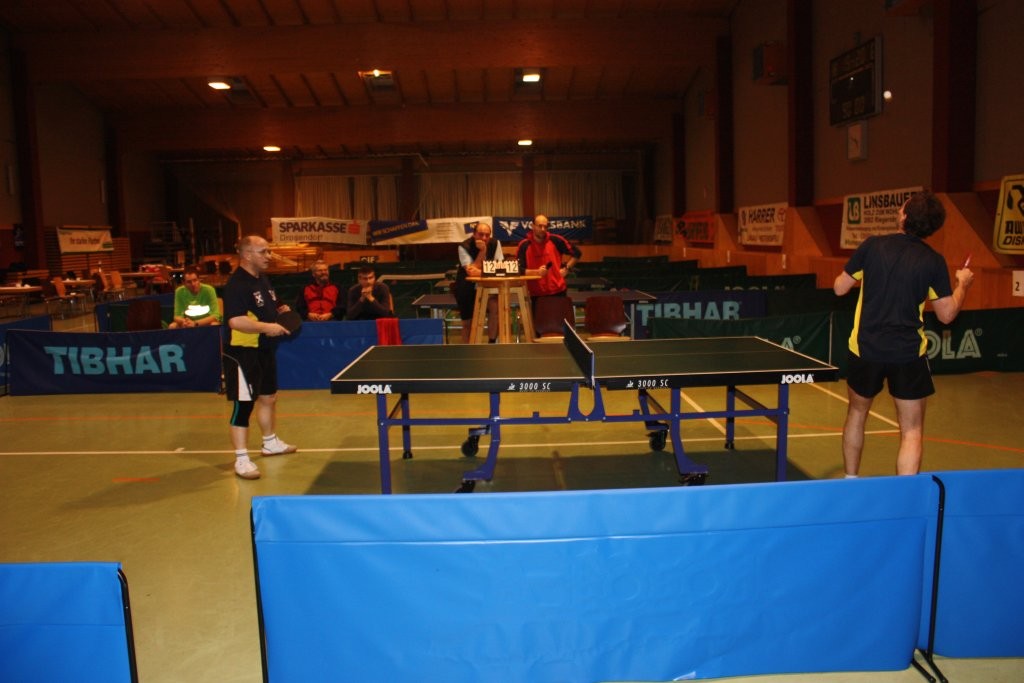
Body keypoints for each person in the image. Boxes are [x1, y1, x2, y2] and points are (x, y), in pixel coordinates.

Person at [833, 191, 974, 477]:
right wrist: (963, 285)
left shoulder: (872, 246)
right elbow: (947, 314)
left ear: (904, 217)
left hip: (865, 348)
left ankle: (850, 481)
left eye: (902, 208)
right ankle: (906, 495)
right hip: (908, 354)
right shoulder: (933, 261)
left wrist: (859, 274)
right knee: (912, 430)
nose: (899, 210)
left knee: (857, 414)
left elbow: (839, 288)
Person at [222, 235, 298, 480]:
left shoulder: (262, 279)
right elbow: (236, 321)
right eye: (263, 252)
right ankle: (241, 459)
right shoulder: (236, 285)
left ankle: (270, 442)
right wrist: (268, 327)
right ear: (247, 255)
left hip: (264, 348)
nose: (269, 256)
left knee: (268, 397)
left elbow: (270, 305)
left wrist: (281, 310)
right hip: (242, 352)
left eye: (269, 251)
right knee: (243, 405)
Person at [516, 214, 582, 325]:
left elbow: (577, 253)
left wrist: (567, 268)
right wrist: (536, 272)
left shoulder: (556, 240)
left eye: (545, 226)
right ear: (533, 226)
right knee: (539, 329)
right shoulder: (524, 245)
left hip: (558, 291)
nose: (543, 229)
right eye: (540, 226)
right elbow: (518, 269)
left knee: (559, 327)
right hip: (535, 294)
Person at [453, 222, 503, 343]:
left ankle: (492, 343)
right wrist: (483, 251)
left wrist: (480, 271)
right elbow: (471, 272)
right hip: (466, 288)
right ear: (474, 234)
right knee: (468, 323)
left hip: (488, 287)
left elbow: (500, 268)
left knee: (495, 307)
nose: (484, 238)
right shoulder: (463, 247)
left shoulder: (495, 243)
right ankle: (468, 350)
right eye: (481, 234)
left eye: (487, 235)